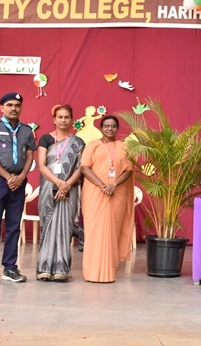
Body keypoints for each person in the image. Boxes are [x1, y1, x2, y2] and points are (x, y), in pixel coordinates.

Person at [0, 92, 37, 285]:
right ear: (2, 108)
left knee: (14, 226)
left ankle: (10, 268)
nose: (14, 108)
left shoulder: (27, 130)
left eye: (17, 105)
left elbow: (30, 157)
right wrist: (8, 177)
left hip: (18, 183)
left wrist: (21, 177)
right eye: (10, 105)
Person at [80, 115, 134, 283]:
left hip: (117, 192)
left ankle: (109, 270)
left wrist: (114, 185)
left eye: (113, 126)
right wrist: (102, 185)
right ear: (101, 128)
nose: (110, 129)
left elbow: (128, 170)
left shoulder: (123, 147)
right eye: (106, 126)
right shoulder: (93, 145)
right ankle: (91, 271)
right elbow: (84, 168)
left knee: (113, 230)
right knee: (94, 231)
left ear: (117, 128)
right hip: (94, 192)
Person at [36, 105, 86, 281]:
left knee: (65, 227)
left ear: (71, 119)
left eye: (66, 117)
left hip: (69, 190)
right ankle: (44, 268)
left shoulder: (78, 143)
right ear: (54, 119)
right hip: (49, 189)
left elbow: (81, 168)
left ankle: (61, 269)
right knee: (48, 226)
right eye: (60, 117)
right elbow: (41, 165)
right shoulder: (45, 139)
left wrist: (66, 185)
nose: (63, 120)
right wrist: (58, 183)